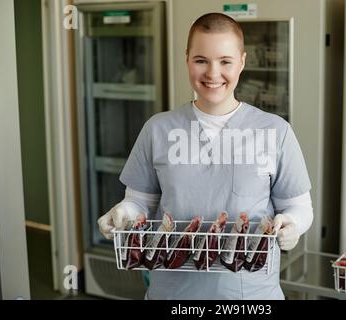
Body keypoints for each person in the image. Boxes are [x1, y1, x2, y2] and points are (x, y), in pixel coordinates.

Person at [97, 12, 313, 300]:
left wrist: (292, 224)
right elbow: (140, 201)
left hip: (250, 294)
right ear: (187, 59)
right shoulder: (158, 129)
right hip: (172, 292)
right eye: (201, 60)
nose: (213, 74)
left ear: (242, 62)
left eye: (225, 62)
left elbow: (299, 206)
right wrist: (124, 212)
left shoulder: (276, 131)